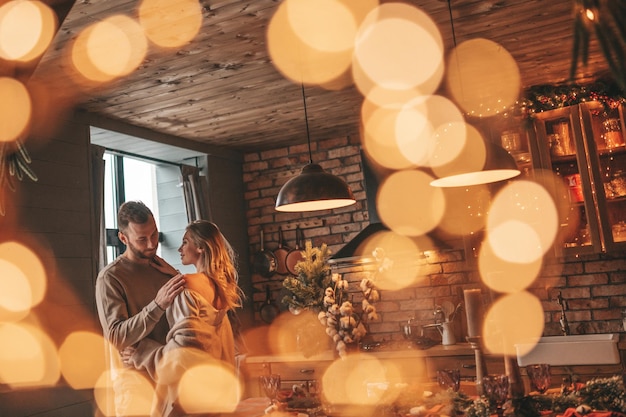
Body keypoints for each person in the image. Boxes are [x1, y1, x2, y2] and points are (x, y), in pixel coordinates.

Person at [122, 220, 245, 417]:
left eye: (185, 242)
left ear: (200, 248)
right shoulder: (220, 288)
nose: (179, 249)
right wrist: (176, 274)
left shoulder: (185, 289)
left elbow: (182, 352)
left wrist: (142, 353)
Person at [95, 200, 186, 417]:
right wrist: (157, 305)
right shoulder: (111, 278)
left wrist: (175, 275)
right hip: (136, 387)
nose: (151, 244)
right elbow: (116, 336)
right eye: (142, 239)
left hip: (172, 382)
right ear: (123, 238)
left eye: (154, 235)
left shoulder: (164, 269)